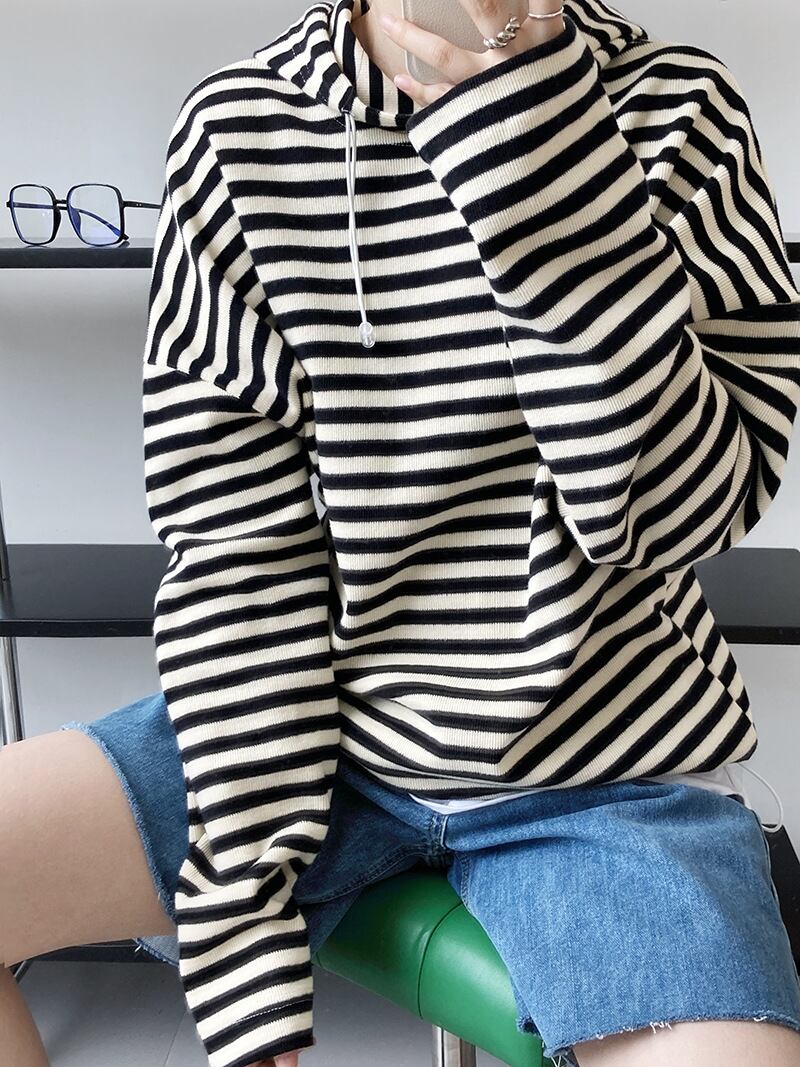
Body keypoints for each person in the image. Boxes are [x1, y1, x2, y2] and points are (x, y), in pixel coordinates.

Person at [3, 0, 800, 1065]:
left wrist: (540, 149)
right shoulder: (243, 128)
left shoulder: (677, 108)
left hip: (610, 761)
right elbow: (238, 556)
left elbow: (677, 511)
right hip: (320, 731)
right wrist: (242, 907)